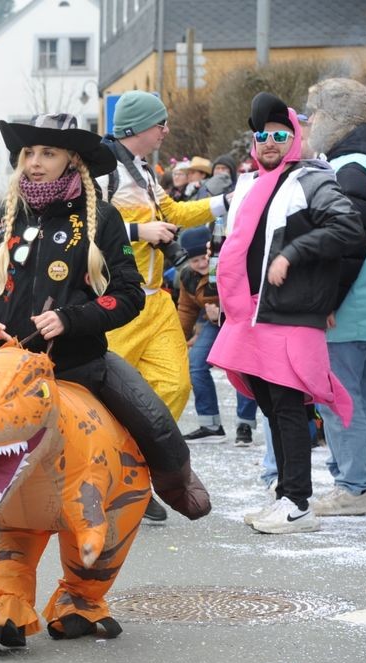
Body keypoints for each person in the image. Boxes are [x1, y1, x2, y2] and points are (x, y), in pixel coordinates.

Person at [0, 113, 209, 522]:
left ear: (72, 160)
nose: (35, 162)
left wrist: (70, 319)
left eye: (48, 153)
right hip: (5, 366)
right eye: (29, 153)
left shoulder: (102, 218)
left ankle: (168, 484)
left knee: (154, 421)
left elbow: (127, 296)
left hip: (80, 366)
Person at [208, 92, 363, 535]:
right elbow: (238, 244)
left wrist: (294, 252)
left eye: (280, 134)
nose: (270, 142)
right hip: (251, 314)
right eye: (263, 136)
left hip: (288, 313)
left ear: (296, 137)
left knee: (289, 407)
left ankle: (298, 502)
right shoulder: (253, 184)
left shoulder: (311, 179)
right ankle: (284, 494)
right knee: (272, 407)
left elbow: (347, 227)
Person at [97, 91, 230, 521]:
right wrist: (139, 231)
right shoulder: (100, 172)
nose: (166, 130)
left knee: (174, 386)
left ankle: (132, 469)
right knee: (105, 401)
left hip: (157, 303)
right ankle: (106, 478)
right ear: (136, 128)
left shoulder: (145, 170)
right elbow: (86, 229)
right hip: (116, 301)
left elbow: (173, 212)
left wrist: (225, 202)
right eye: (161, 123)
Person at [303, 78, 366, 516]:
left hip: (349, 308)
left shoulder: (350, 167)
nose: (310, 122)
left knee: (339, 397)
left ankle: (355, 487)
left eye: (314, 114)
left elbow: (347, 243)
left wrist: (326, 302)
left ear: (335, 118)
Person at [175, 227, 258, 444]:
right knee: (196, 364)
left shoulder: (229, 264)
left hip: (240, 320)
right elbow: (186, 310)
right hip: (213, 323)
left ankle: (245, 423)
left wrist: (221, 311)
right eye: (195, 261)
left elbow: (244, 294)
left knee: (242, 367)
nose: (201, 264)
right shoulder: (186, 277)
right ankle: (210, 424)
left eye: (204, 258)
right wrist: (177, 341)